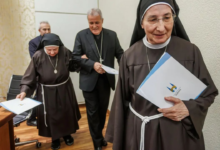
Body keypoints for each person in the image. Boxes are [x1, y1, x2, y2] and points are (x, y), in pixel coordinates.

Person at [105, 0, 218, 150]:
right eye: (152, 19)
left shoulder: (190, 52)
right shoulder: (130, 56)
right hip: (142, 133)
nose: (161, 27)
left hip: (178, 136)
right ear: (141, 22)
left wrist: (188, 108)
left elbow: (208, 93)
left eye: (167, 17)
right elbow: (121, 102)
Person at [16, 33, 81, 150]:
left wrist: (80, 60)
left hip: (64, 88)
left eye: (55, 49)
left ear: (59, 47)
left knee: (66, 112)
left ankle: (67, 134)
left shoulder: (65, 51)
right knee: (51, 115)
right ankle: (55, 138)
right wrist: (24, 91)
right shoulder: (38, 56)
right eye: (49, 50)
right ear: (44, 48)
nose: (52, 52)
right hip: (46, 91)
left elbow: (73, 66)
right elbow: (29, 76)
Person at [72, 8, 124, 150]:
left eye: (97, 22)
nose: (94, 26)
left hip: (105, 80)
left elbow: (120, 54)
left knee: (102, 111)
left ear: (102, 21)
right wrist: (92, 64)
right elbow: (75, 57)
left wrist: (126, 68)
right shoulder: (81, 35)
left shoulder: (112, 35)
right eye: (91, 23)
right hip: (89, 80)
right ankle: (96, 142)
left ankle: (99, 135)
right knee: (93, 112)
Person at [26, 21, 51, 126]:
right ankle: (31, 119)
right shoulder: (33, 42)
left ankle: (48, 117)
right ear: (39, 30)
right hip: (39, 74)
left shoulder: (54, 40)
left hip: (52, 74)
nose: (47, 31)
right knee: (37, 96)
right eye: (44, 29)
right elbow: (34, 59)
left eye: (49, 29)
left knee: (50, 97)